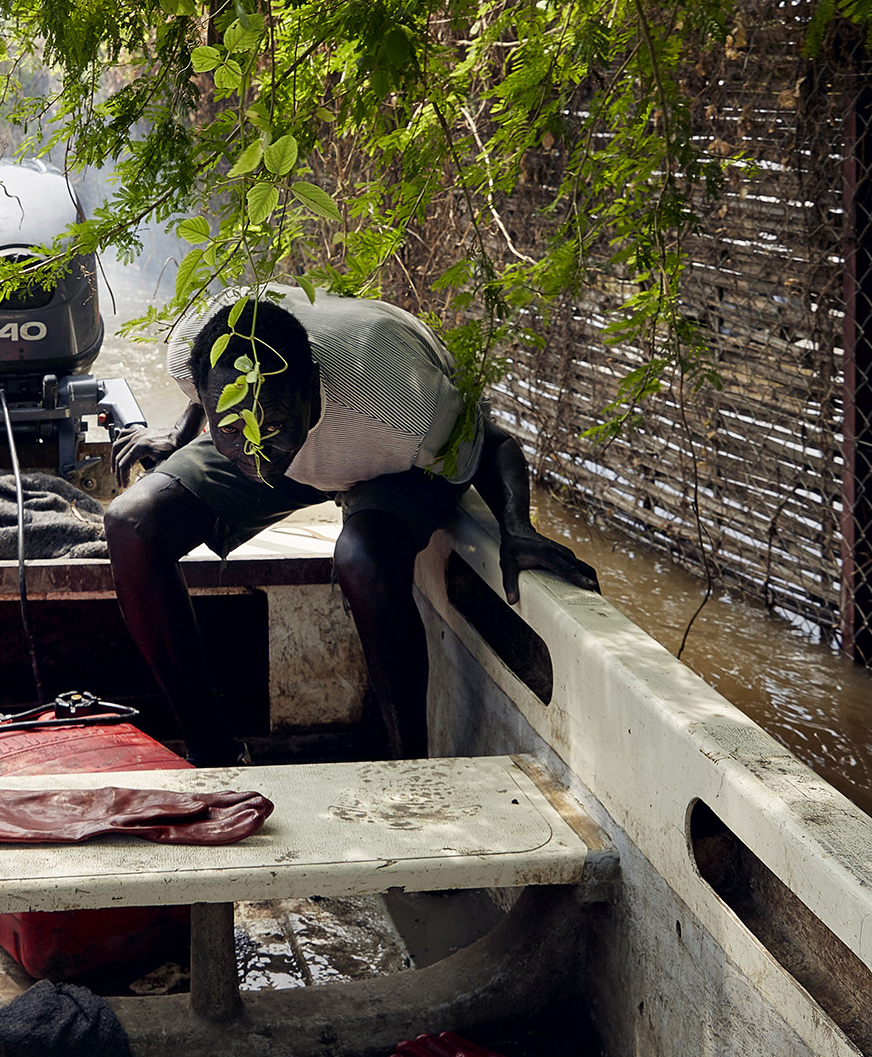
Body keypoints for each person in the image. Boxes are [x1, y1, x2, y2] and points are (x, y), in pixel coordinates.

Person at [105, 285, 598, 765]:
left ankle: (409, 769)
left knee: (364, 559)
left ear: (310, 384)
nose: (253, 450)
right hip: (286, 439)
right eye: (230, 428)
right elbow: (218, 403)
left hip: (386, 460)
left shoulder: (406, 407)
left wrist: (518, 527)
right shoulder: (195, 352)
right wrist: (180, 436)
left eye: (269, 426)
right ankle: (212, 749)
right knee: (132, 523)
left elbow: (492, 444)